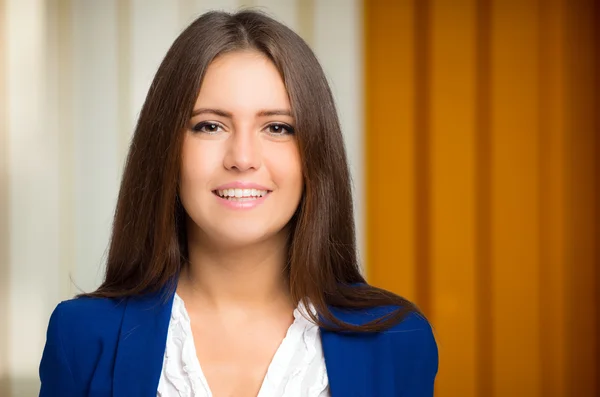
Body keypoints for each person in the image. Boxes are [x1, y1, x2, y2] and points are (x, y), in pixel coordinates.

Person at [39, 9, 438, 397]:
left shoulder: (398, 340)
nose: (243, 157)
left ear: (315, 153)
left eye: (278, 127)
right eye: (210, 126)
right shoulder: (80, 337)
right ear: (165, 151)